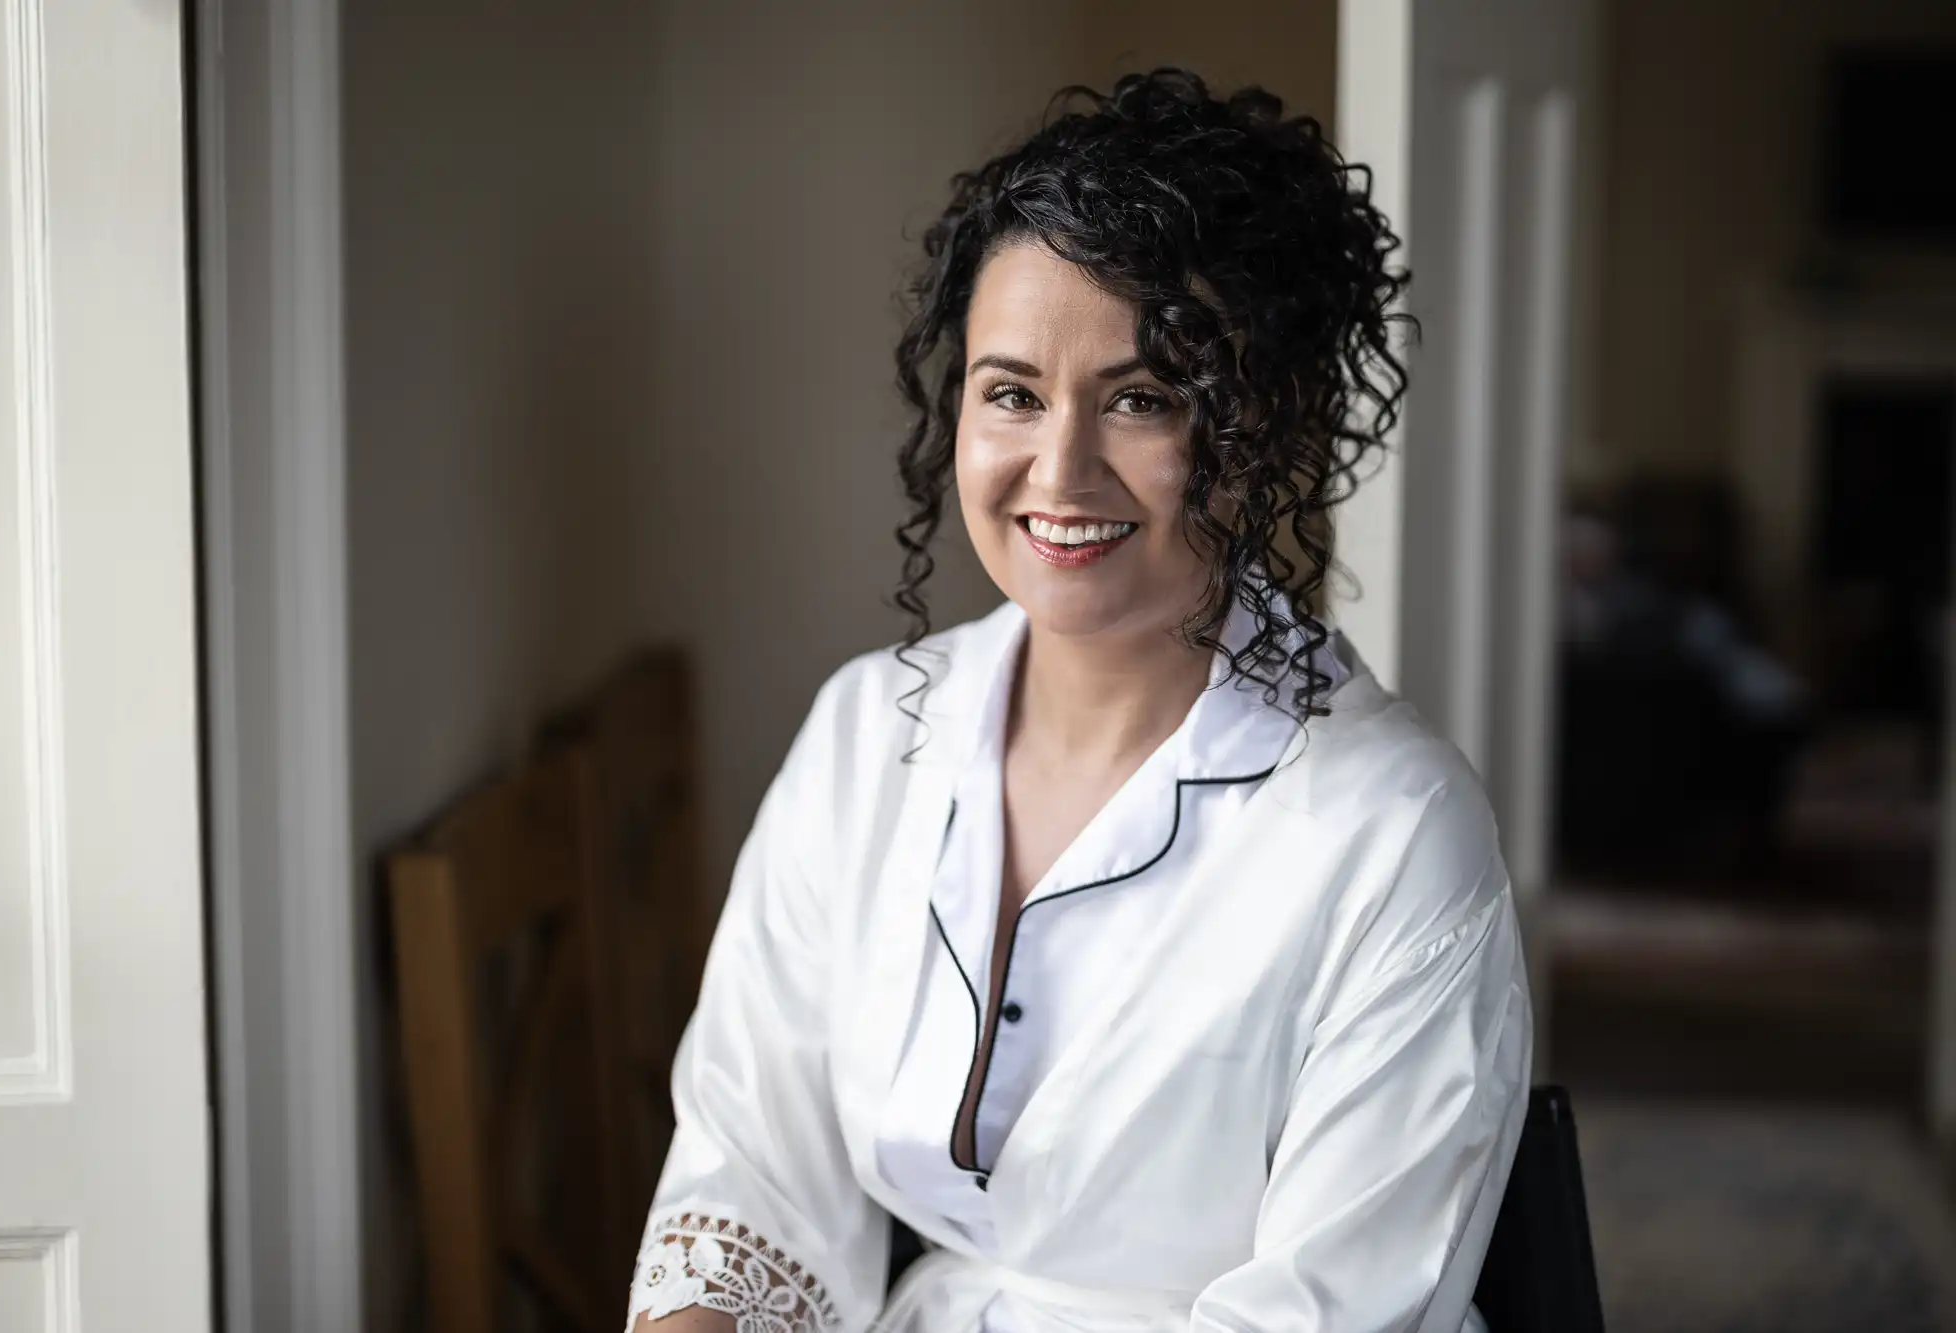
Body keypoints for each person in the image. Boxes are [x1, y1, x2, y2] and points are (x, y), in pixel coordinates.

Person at [629, 70, 1531, 1333]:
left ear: (1267, 423)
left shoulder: (1391, 832)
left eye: (1143, 399)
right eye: (1011, 393)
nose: (1058, 472)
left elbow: (1336, 1311)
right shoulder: (863, 735)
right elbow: (749, 1167)